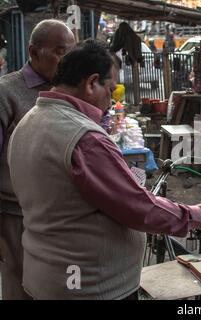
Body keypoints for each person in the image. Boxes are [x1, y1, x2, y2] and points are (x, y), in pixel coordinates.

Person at [7, 40, 201, 300]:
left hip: (47, 275)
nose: (111, 101)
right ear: (92, 83)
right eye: (111, 90)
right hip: (88, 286)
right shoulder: (83, 137)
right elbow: (138, 207)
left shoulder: (28, 122)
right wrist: (195, 214)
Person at [0, 19, 76, 300]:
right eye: (60, 52)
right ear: (34, 52)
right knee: (20, 284)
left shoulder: (67, 91)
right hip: (15, 215)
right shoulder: (7, 93)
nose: (67, 60)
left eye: (71, 53)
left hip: (59, 215)